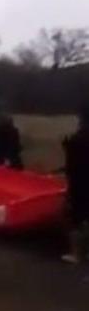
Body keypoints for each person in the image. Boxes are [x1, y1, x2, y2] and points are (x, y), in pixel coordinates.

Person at [62, 103, 89, 263]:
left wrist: (67, 148)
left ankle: (77, 254)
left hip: (80, 181)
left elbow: (71, 164)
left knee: (75, 219)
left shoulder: (77, 138)